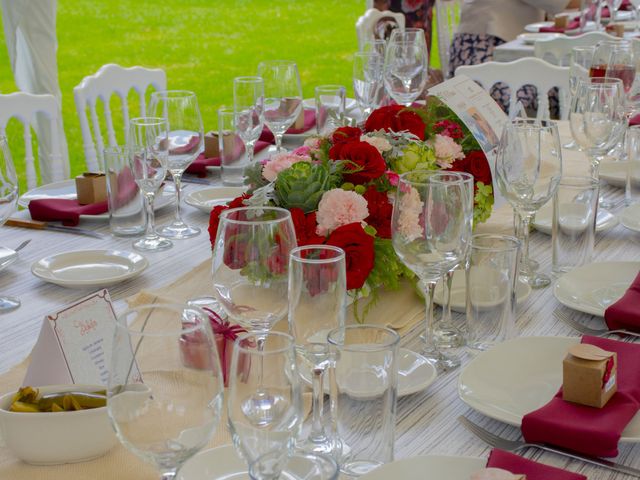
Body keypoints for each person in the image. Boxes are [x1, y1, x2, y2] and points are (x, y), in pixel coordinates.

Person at [449, 0, 580, 116]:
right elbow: (563, 2)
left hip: (496, 44)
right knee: (559, 90)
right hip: (481, 48)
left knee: (564, 89)